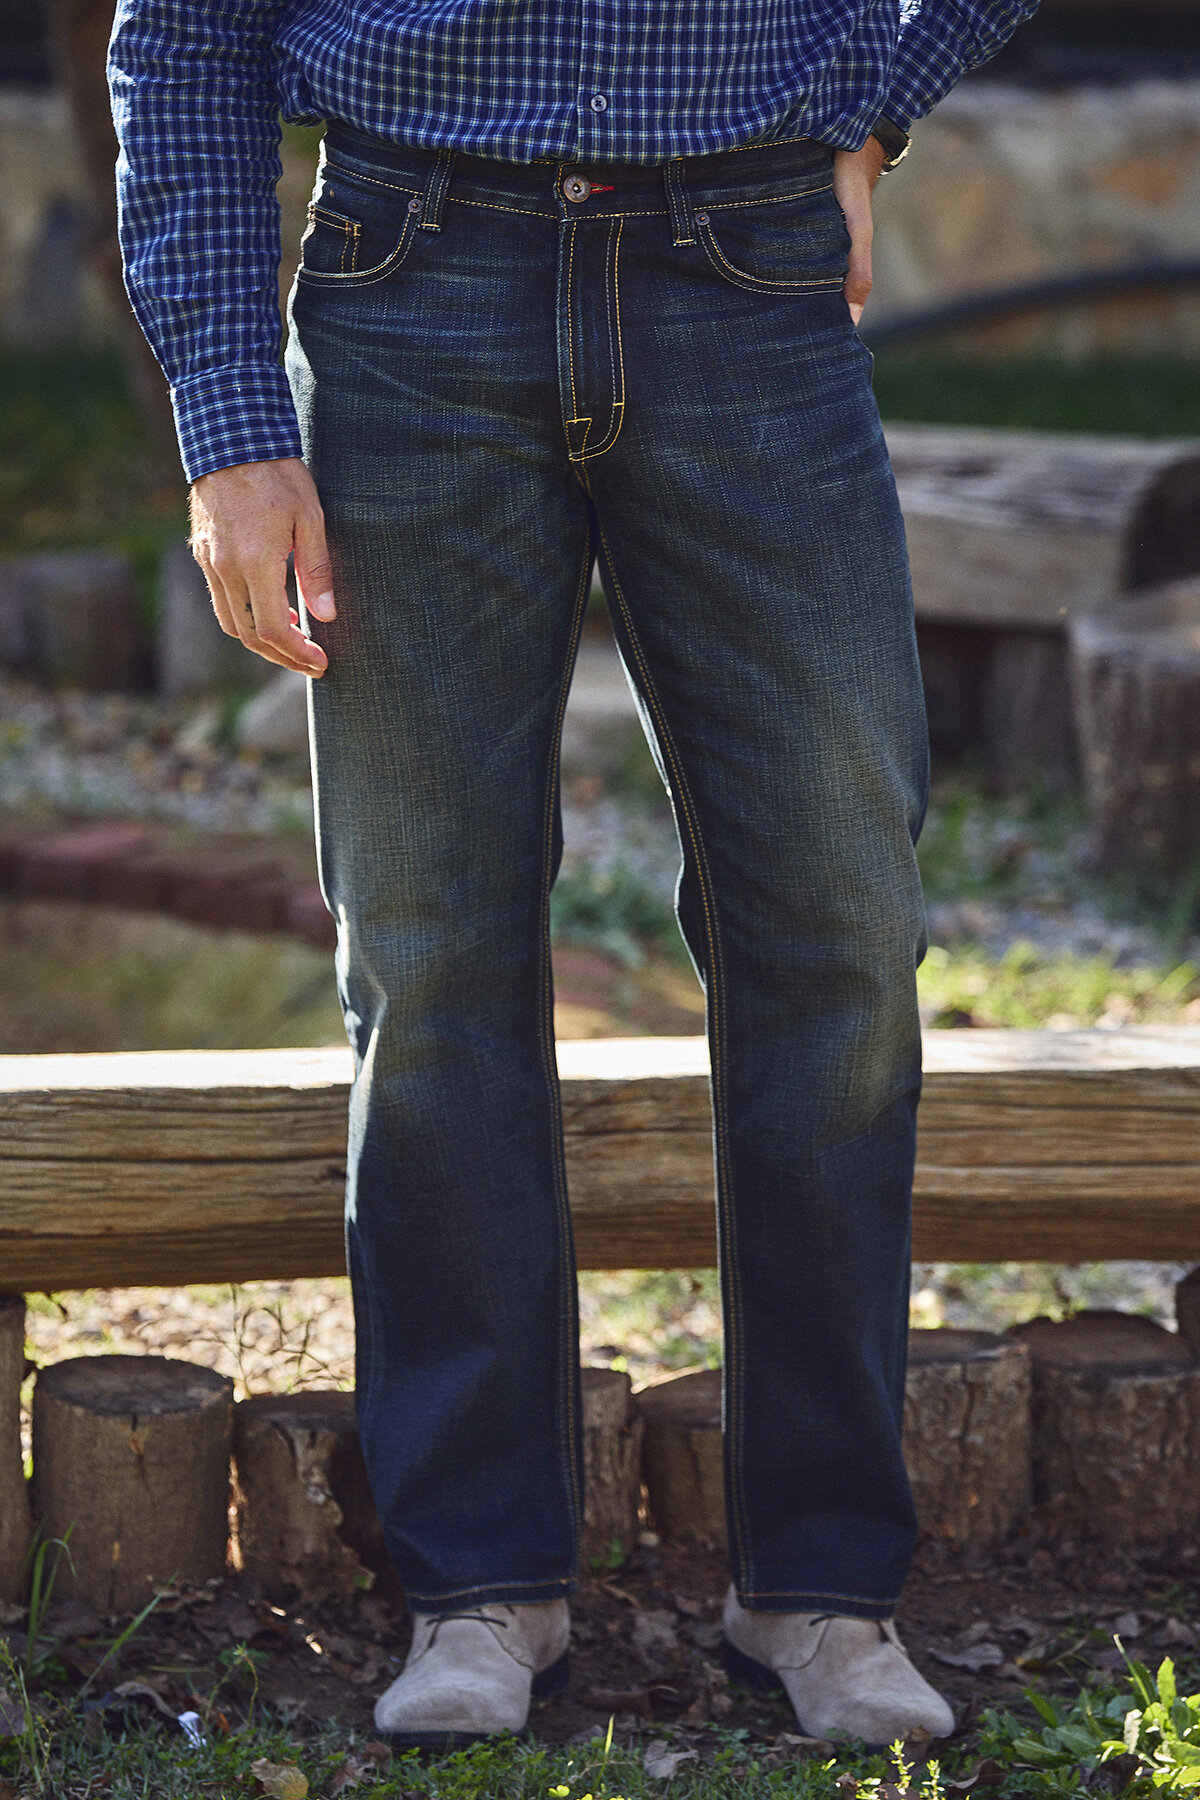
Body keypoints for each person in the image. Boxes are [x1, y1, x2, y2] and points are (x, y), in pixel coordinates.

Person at [108, 0, 1038, 1752]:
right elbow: (189, 29)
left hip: (750, 281)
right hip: (409, 288)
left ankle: (823, 1583)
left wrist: (877, 101)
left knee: (839, 935)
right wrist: (229, 426)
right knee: (432, 951)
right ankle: (480, 1584)